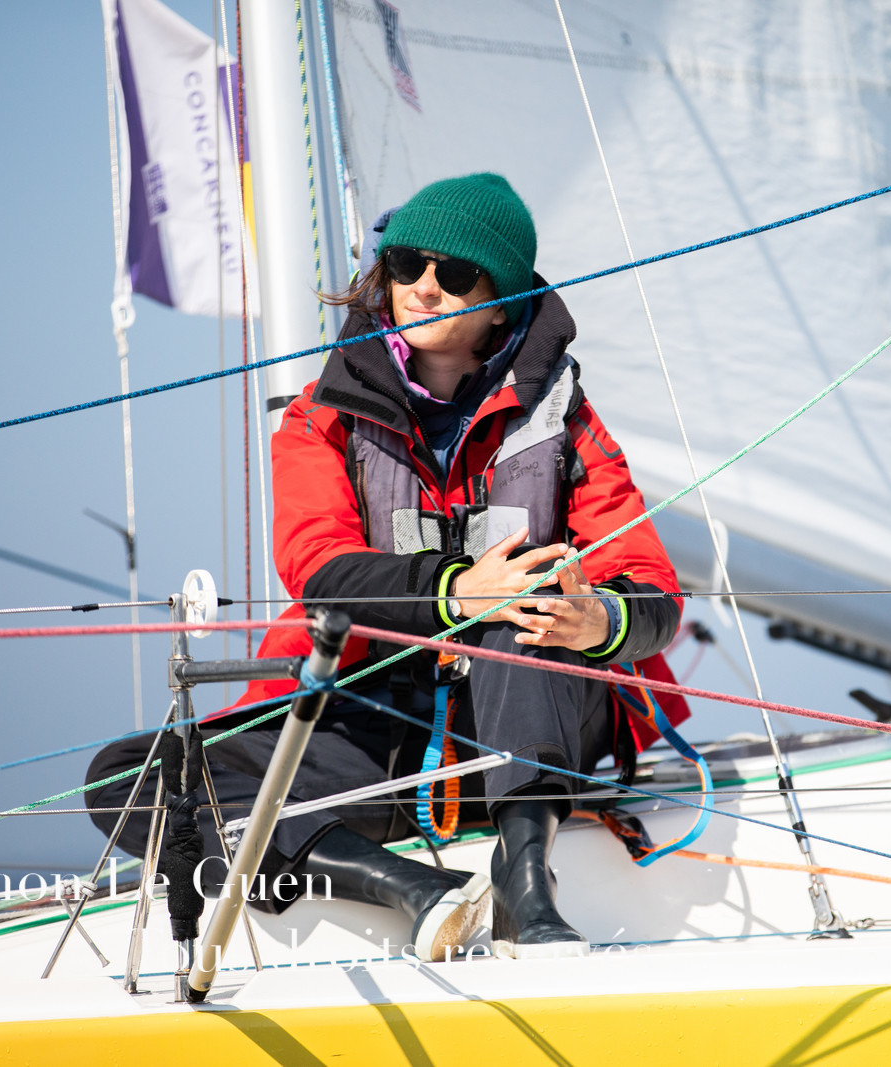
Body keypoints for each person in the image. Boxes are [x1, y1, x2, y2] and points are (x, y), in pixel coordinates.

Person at [86, 172, 686, 962]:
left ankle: (526, 886)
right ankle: (412, 888)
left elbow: (654, 591)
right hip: (378, 730)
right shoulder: (320, 418)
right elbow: (319, 568)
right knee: (127, 776)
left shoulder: (566, 420)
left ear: (500, 303)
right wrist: (456, 590)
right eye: (406, 264)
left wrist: (597, 619)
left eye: (456, 272)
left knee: (521, 610)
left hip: (532, 729)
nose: (424, 287)